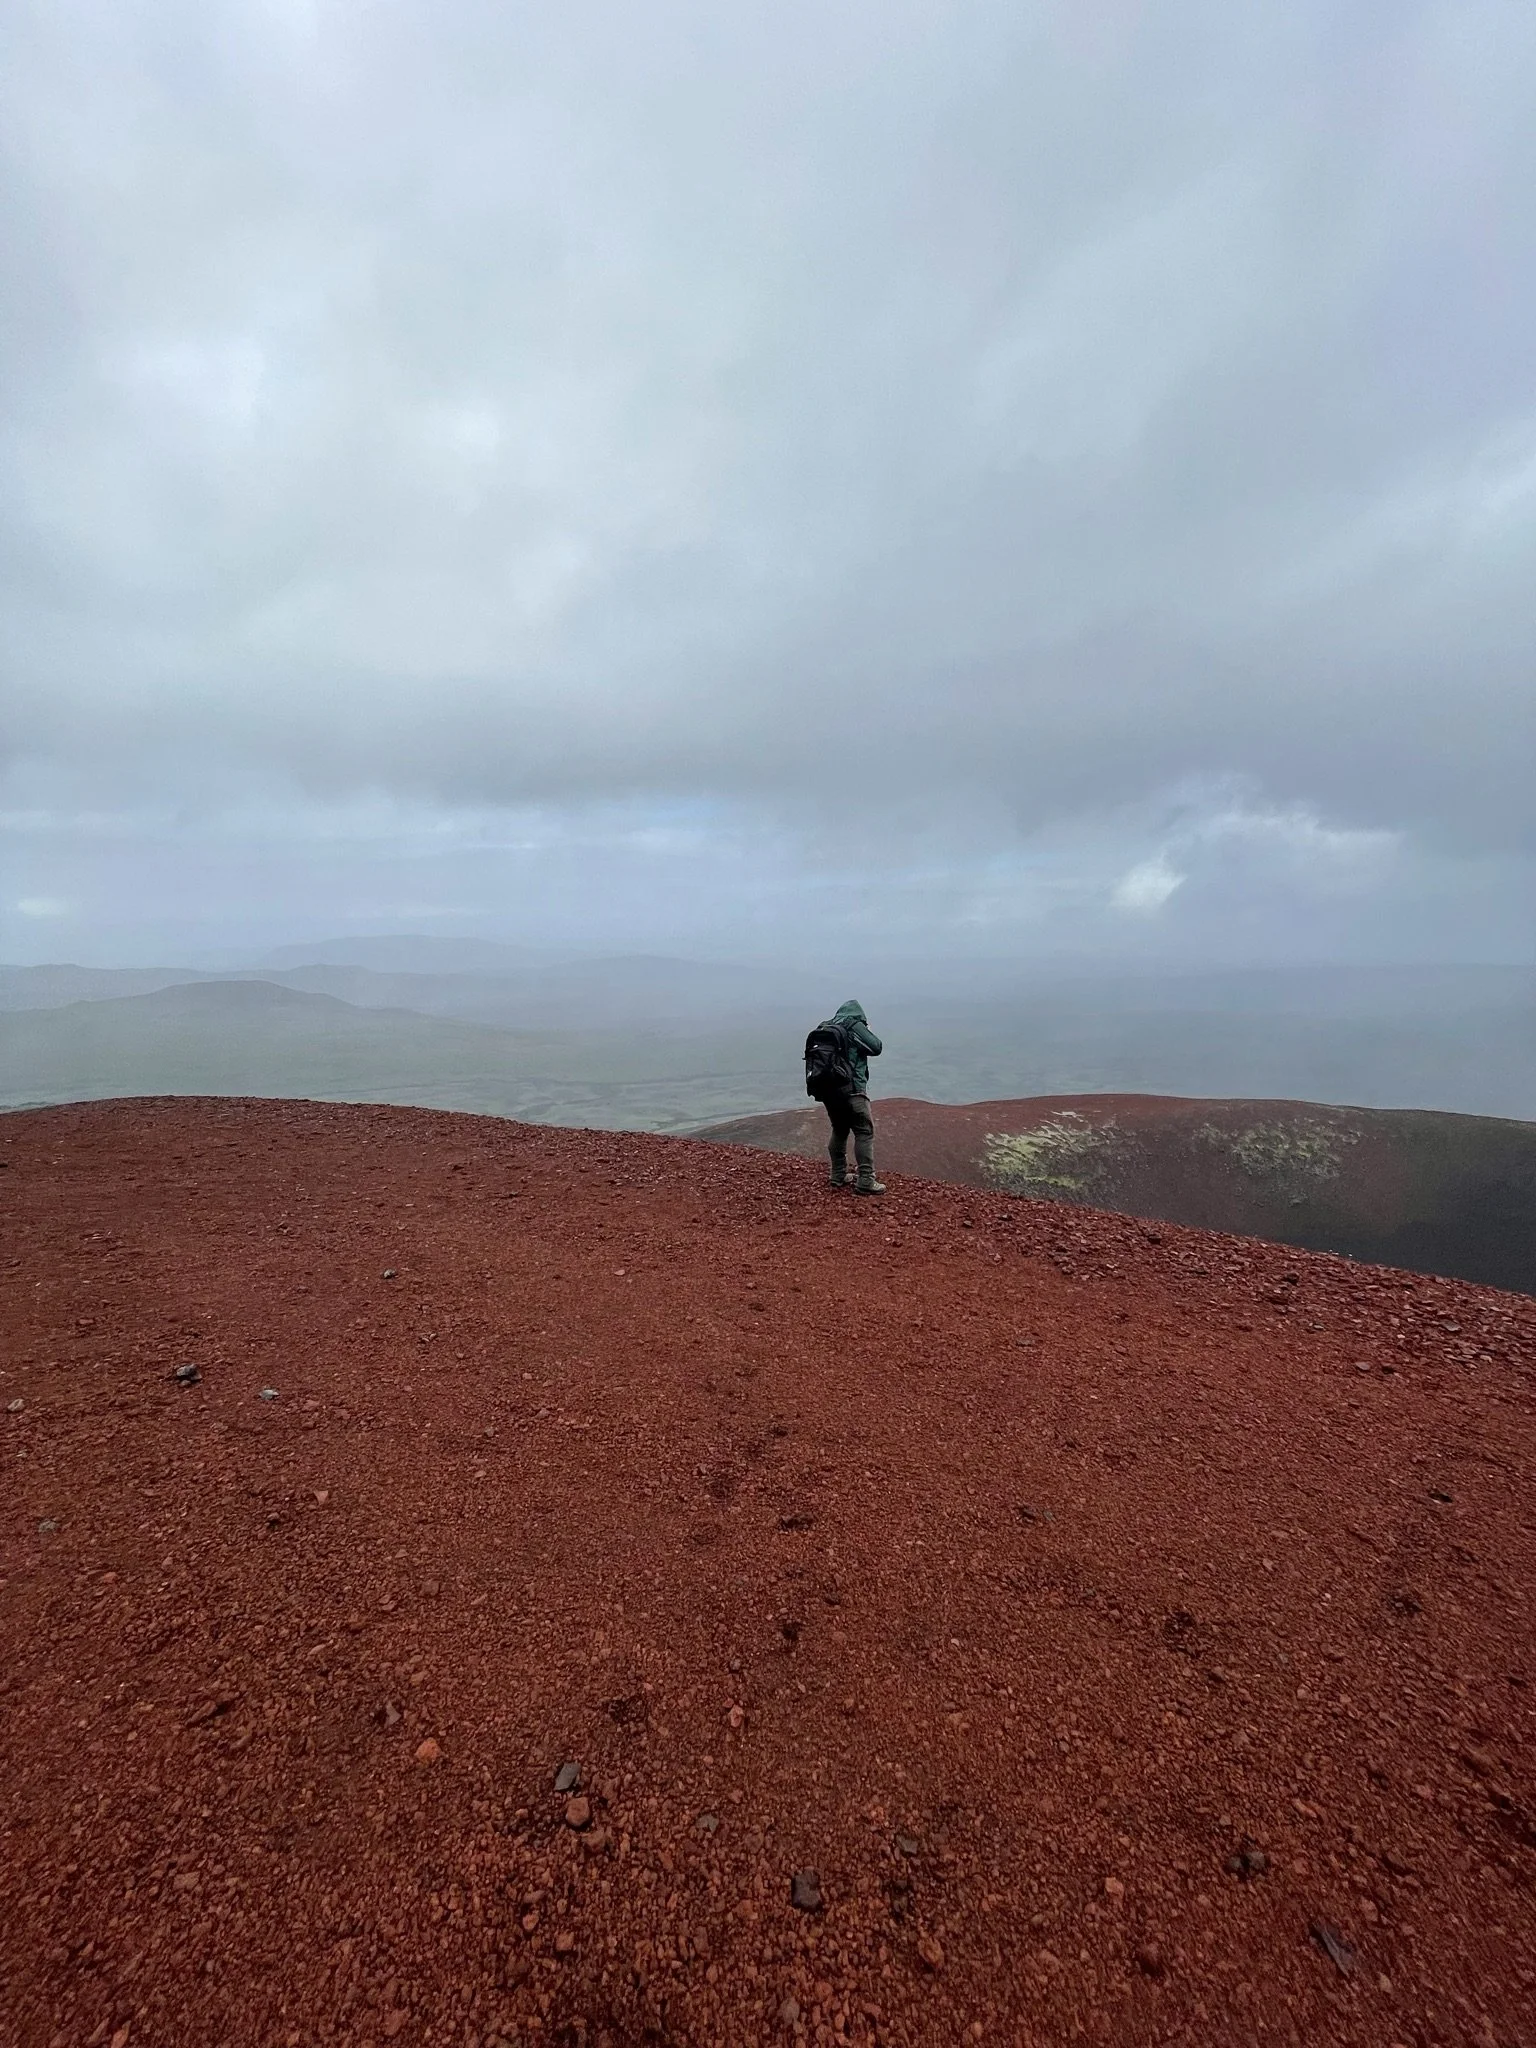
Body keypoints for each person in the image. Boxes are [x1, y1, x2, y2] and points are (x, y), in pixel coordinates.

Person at [805, 998, 885, 1195]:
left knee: (839, 1129)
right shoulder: (854, 1024)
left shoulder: (826, 1026)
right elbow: (876, 1047)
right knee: (864, 1131)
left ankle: (838, 1174)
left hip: (829, 1090)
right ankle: (866, 1180)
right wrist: (866, 1029)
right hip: (852, 1088)